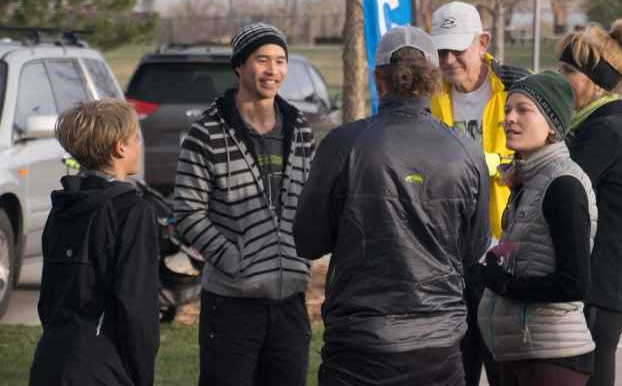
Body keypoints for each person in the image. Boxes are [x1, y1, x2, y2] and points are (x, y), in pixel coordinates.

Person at [294, 25, 491, 386]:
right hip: (438, 343)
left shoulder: (343, 144)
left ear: (378, 80)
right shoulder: (466, 151)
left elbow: (308, 241)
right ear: (433, 80)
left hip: (361, 342)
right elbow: (474, 248)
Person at [174, 23, 315, 386]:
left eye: (281, 61)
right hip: (232, 304)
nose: (273, 71)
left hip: (290, 304)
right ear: (239, 65)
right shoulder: (206, 133)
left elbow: (311, 202)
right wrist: (233, 260)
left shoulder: (300, 128)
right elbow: (187, 213)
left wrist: (304, 255)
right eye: (262, 60)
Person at [477, 71, 598, 386]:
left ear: (552, 127)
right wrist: (491, 259)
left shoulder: (563, 186)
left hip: (552, 357)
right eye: (506, 110)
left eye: (523, 110)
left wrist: (503, 285)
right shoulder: (528, 181)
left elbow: (574, 284)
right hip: (520, 351)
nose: (509, 119)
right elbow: (519, 246)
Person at [429, 1, 528, 386]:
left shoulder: (516, 89)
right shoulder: (429, 96)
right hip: (448, 260)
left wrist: (480, 164)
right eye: (441, 51)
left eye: (458, 49)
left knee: (504, 370)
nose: (449, 60)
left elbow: (535, 162)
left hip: (504, 257)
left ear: (483, 42)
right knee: (456, 371)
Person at [29, 99, 159, 386]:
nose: (140, 144)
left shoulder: (63, 206)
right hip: (103, 368)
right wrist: (141, 375)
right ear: (120, 147)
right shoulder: (132, 212)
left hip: (50, 362)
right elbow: (136, 308)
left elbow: (49, 299)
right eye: (136, 137)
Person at [556, 21, 622, 386]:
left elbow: (560, 189)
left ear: (596, 79)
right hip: (598, 294)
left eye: (568, 72)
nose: (559, 79)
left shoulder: (605, 132)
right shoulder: (593, 125)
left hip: (599, 294)